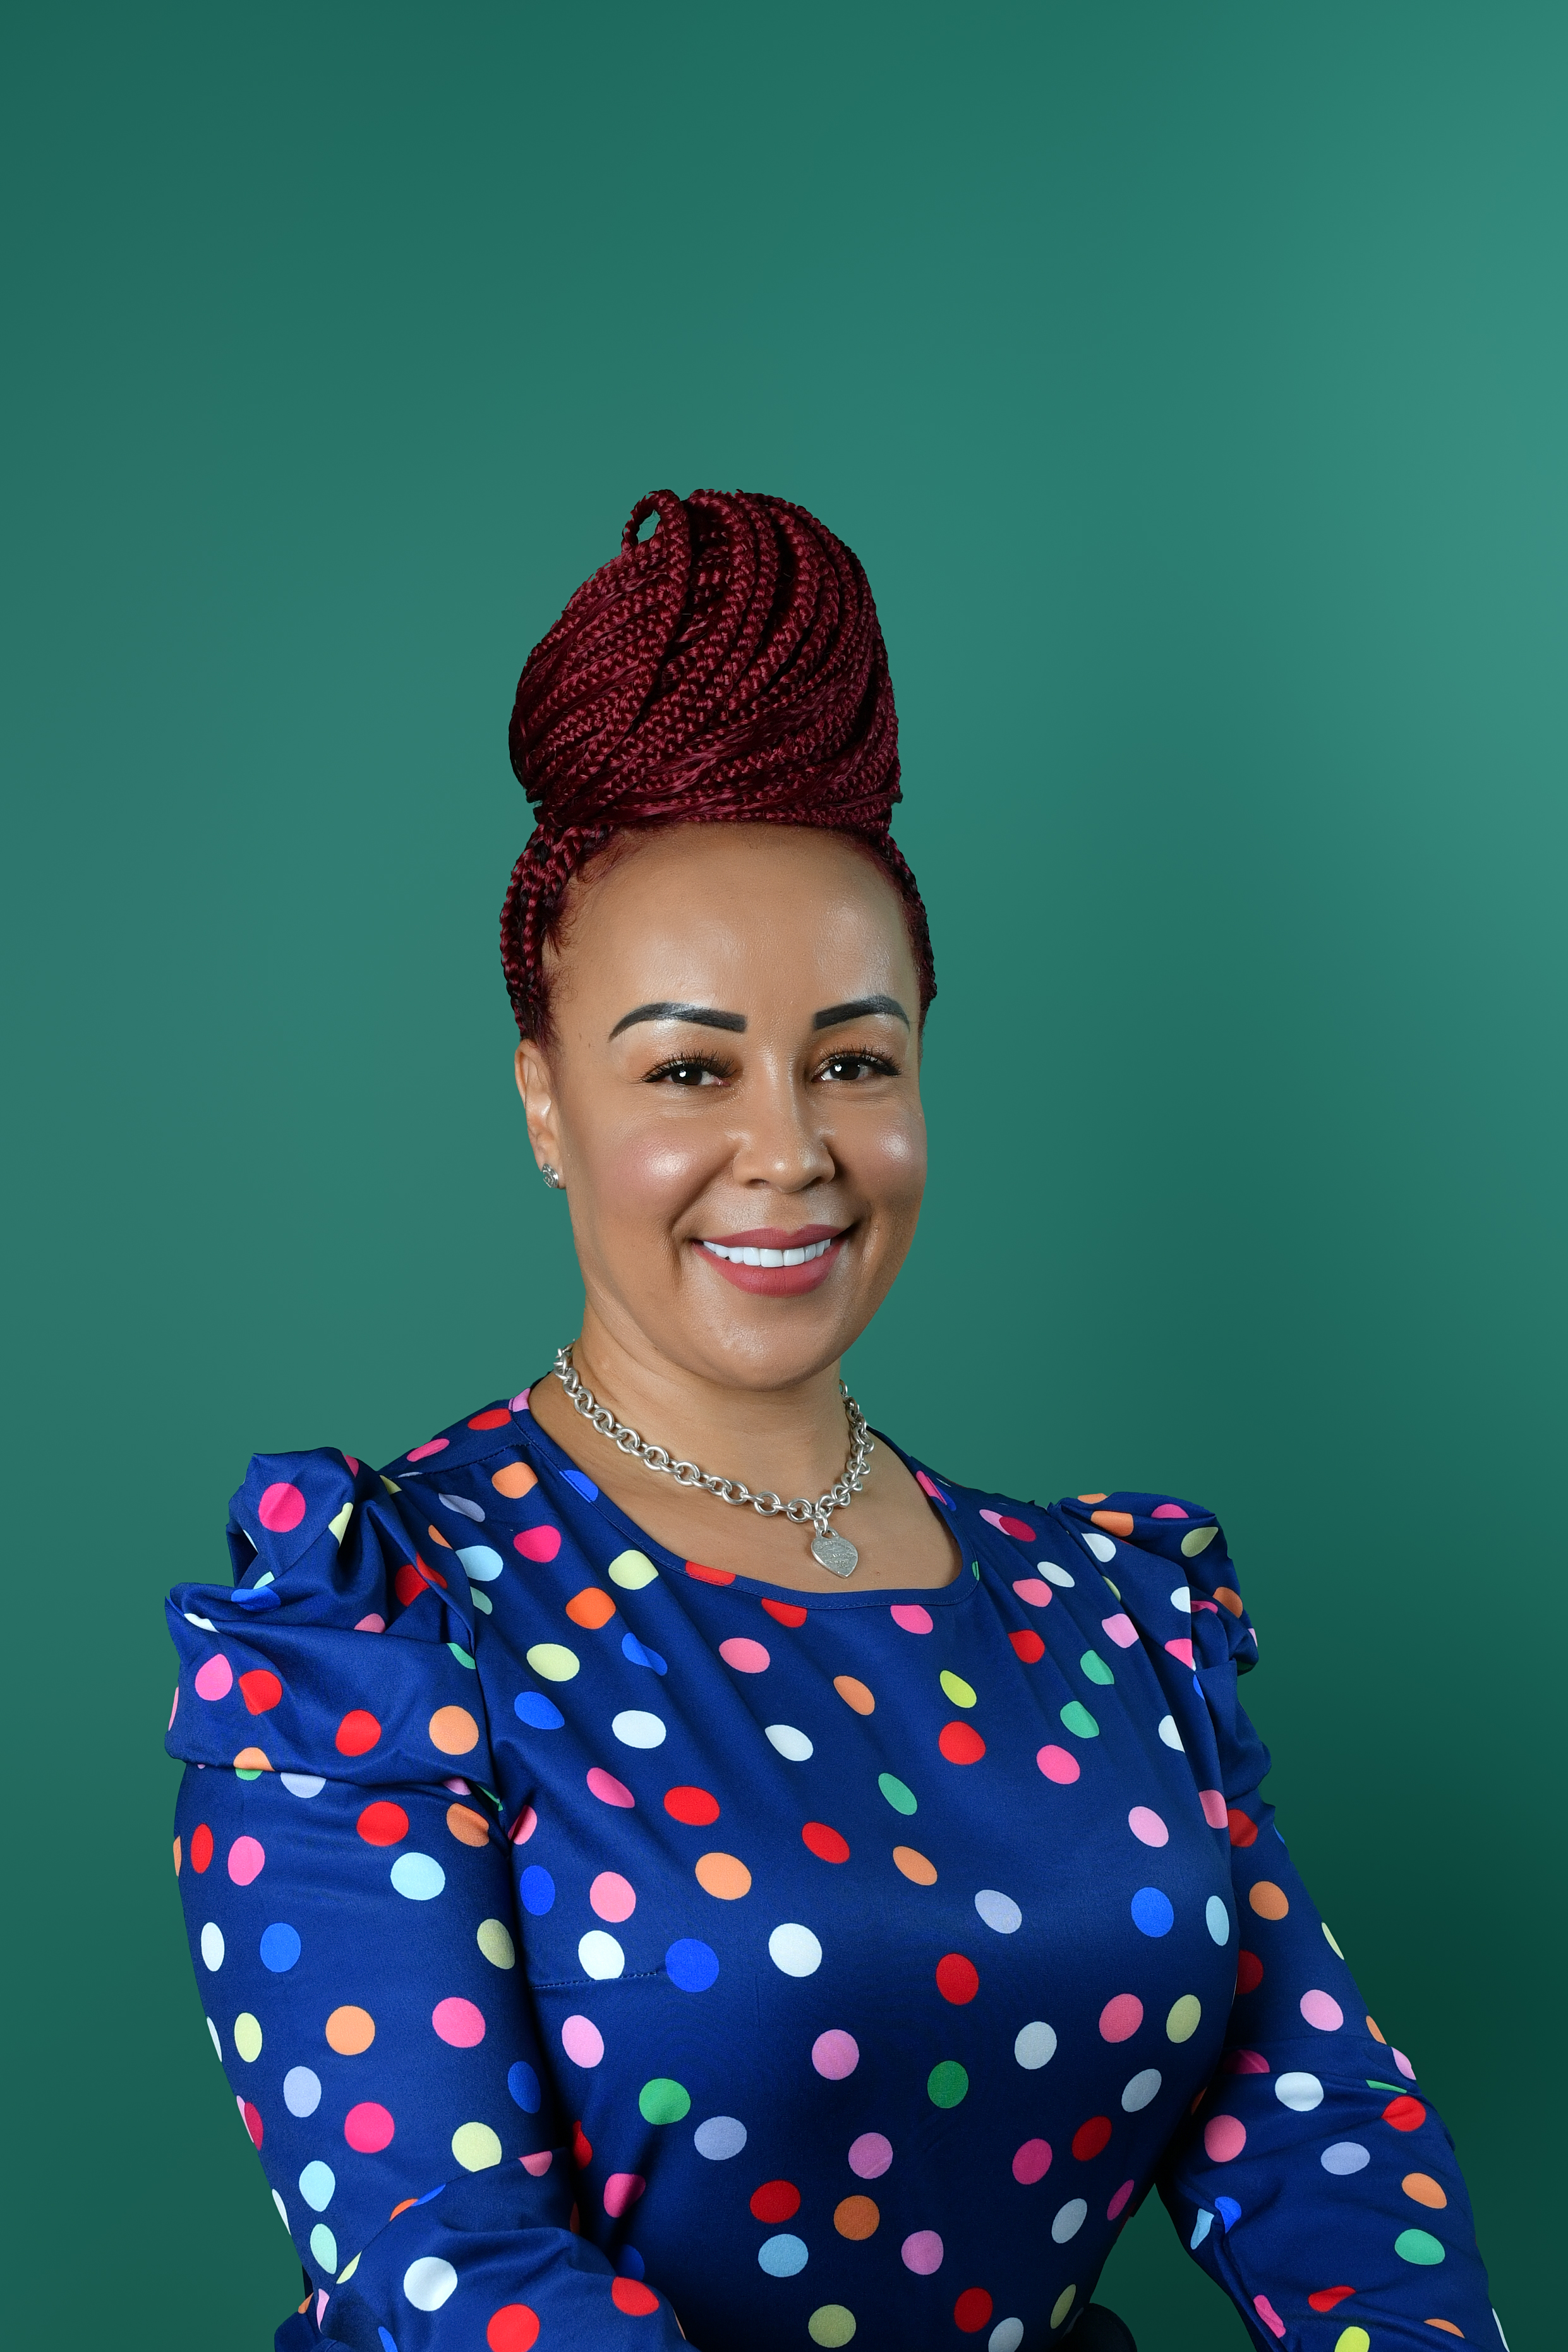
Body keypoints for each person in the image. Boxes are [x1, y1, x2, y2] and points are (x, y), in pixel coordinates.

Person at [166, 489, 1499, 2352]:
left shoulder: (1113, 1616)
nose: (787, 1150)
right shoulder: (385, 1624)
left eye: (854, 1060)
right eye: (688, 1066)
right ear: (545, 1099)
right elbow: (440, 2263)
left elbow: (1327, 2147)